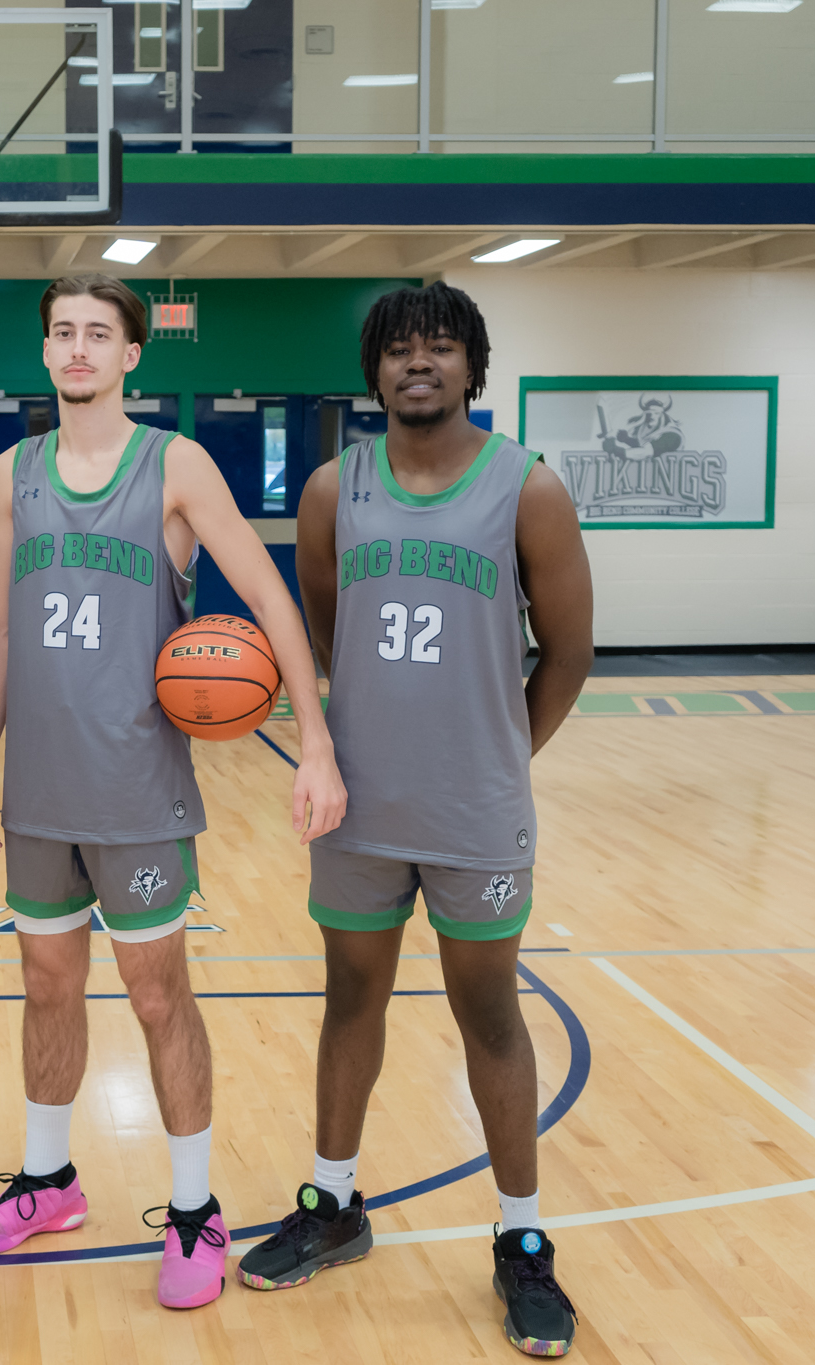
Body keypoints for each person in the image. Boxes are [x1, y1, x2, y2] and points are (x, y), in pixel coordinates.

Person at [0, 274, 346, 1310]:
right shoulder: (8, 475)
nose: (77, 349)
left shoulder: (175, 465)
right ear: (42, 353)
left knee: (159, 996)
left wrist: (314, 744)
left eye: (98, 334)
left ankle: (191, 1212)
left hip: (136, 792)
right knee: (44, 988)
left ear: (131, 354)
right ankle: (46, 1185)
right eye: (61, 333)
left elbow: (266, 599)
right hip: (36, 790)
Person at [236, 281, 590, 1359]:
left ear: (470, 367)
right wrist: (360, 750)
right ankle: (334, 1204)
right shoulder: (334, 490)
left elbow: (566, 654)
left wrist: (493, 760)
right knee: (350, 999)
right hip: (357, 808)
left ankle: (520, 1242)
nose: (417, 363)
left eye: (439, 347)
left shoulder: (525, 489)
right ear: (373, 372)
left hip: (476, 811)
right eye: (398, 350)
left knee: (488, 1016)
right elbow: (330, 628)